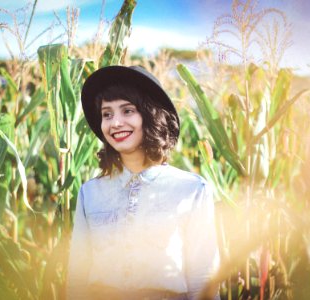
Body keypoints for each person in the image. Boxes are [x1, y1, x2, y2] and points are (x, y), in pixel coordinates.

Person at [67, 65, 220, 300]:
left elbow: (203, 282)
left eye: (127, 111)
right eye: (107, 114)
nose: (115, 122)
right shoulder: (90, 193)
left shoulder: (191, 190)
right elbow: (77, 280)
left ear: (150, 115)